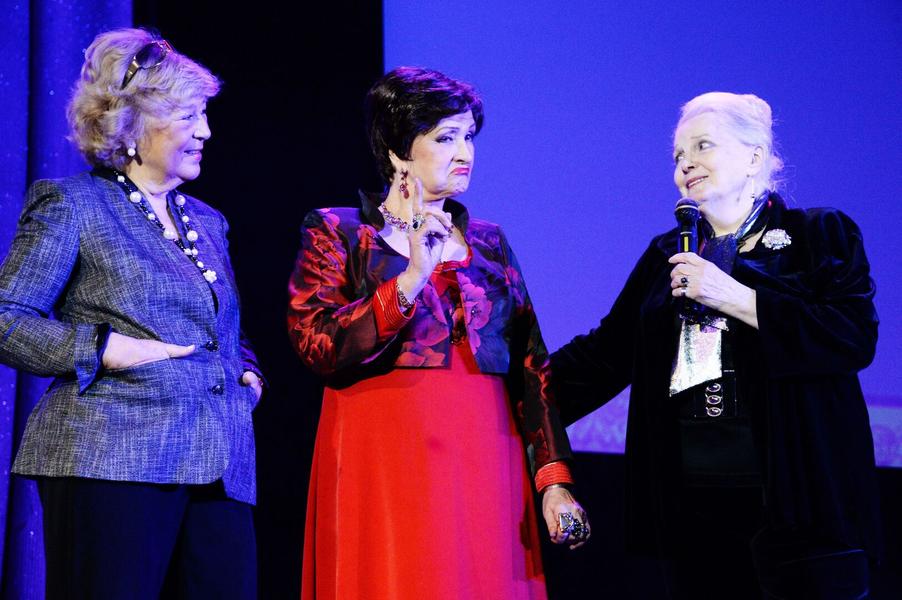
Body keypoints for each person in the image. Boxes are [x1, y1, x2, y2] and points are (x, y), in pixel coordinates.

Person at [552, 92, 882, 599]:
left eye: (702, 146)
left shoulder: (818, 234)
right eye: (678, 155)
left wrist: (734, 296)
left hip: (799, 503)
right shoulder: (667, 253)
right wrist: (513, 398)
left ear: (754, 157)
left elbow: (852, 335)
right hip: (694, 507)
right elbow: (603, 356)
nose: (686, 164)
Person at [287, 66, 588, 600]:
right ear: (399, 150)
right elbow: (317, 342)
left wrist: (553, 481)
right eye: (446, 138)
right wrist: (410, 279)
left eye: (469, 137)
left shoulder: (490, 244)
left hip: (486, 459)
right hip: (384, 459)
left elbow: (532, 367)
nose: (464, 152)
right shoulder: (340, 231)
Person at [0, 28, 262, 598]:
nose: (206, 131)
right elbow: (7, 319)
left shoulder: (209, 221)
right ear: (134, 123)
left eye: (205, 115)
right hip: (111, 457)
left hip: (219, 464)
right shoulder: (74, 204)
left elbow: (217, 328)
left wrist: (246, 370)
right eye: (190, 116)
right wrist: (102, 348)